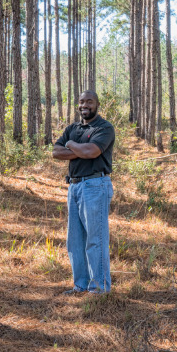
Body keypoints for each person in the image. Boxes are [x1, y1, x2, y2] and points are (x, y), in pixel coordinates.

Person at [52, 91, 116, 295]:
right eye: (81, 101)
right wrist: (79, 148)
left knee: (95, 238)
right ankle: (80, 285)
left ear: (97, 104)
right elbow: (56, 152)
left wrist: (70, 145)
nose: (84, 105)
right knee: (75, 240)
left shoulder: (104, 128)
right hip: (75, 186)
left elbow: (92, 152)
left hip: (95, 185)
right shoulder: (73, 128)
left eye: (89, 101)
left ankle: (99, 288)